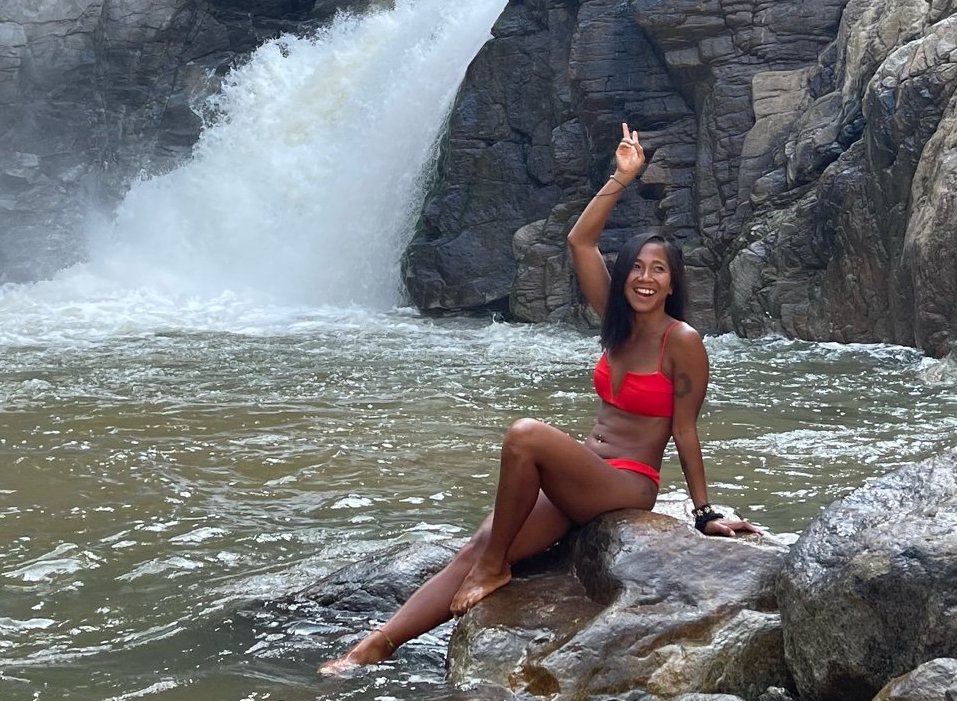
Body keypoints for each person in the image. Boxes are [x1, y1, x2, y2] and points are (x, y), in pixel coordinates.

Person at [321, 123, 758, 673]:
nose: (645, 279)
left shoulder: (683, 341)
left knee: (525, 436)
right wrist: (621, 177)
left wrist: (705, 513)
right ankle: (375, 645)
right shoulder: (616, 322)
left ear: (673, 283)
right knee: (478, 543)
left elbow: (685, 430)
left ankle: (495, 568)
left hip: (627, 483)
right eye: (636, 268)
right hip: (584, 474)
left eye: (658, 271)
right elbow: (580, 242)